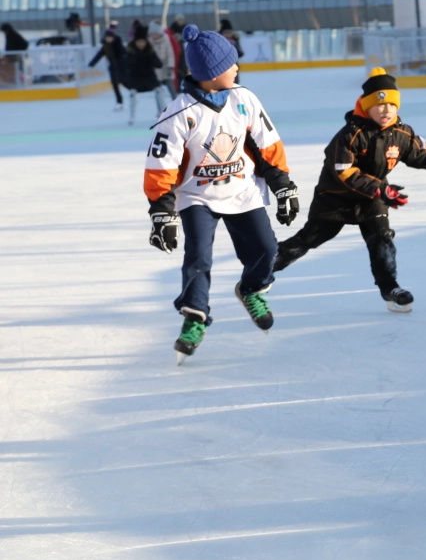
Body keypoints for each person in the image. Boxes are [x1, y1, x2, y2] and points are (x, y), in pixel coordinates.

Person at [143, 23, 300, 362]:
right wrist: (161, 213)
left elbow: (267, 147)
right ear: (212, 73)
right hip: (196, 196)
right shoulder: (179, 113)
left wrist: (283, 186)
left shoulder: (245, 99)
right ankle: (194, 318)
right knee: (198, 257)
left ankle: (251, 289)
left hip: (243, 191)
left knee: (267, 248)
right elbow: (161, 167)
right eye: (232, 64)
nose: (237, 68)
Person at [274, 67, 426, 313]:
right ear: (366, 106)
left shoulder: (401, 133)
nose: (386, 110)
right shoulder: (350, 135)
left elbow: (425, 154)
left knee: (382, 239)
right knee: (309, 240)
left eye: (391, 104)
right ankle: (263, 269)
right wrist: (380, 188)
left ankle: (390, 288)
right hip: (335, 198)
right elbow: (344, 172)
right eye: (379, 105)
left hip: (372, 199)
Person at [123, 24, 164, 126]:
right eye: (139, 42)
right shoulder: (130, 51)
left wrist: (152, 61)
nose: (141, 44)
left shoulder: (150, 51)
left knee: (159, 91)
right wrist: (134, 61)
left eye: (143, 42)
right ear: (135, 42)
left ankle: (162, 113)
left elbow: (159, 64)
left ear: (146, 42)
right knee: (132, 93)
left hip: (149, 77)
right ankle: (132, 116)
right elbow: (126, 65)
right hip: (136, 78)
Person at [88, 23, 126, 110]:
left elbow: (126, 53)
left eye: (110, 37)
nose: (109, 39)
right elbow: (99, 55)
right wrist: (92, 64)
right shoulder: (105, 46)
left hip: (121, 67)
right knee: (115, 85)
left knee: (125, 83)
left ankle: (133, 93)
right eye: (107, 37)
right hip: (112, 68)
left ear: (113, 37)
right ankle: (119, 102)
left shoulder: (118, 44)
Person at [147, 21, 177, 110]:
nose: (154, 36)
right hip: (155, 70)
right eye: (152, 34)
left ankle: (177, 107)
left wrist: (170, 66)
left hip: (166, 68)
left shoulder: (166, 39)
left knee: (171, 89)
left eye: (155, 34)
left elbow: (170, 54)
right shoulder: (149, 43)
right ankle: (160, 109)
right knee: (158, 91)